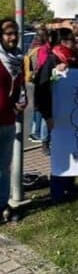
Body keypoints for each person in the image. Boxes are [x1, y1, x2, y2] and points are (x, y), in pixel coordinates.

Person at [34, 28, 78, 202]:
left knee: (74, 150)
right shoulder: (51, 60)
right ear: (62, 42)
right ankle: (57, 192)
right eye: (71, 40)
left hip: (75, 114)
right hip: (57, 117)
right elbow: (41, 90)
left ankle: (69, 186)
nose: (75, 42)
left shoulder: (77, 59)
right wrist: (48, 116)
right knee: (60, 154)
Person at [0, 20, 25, 222]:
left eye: (15, 33)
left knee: (4, 168)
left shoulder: (18, 58)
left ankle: (2, 204)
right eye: (8, 33)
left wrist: (20, 102)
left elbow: (20, 88)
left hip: (8, 120)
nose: (13, 37)